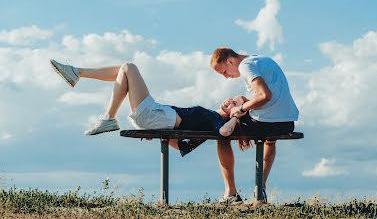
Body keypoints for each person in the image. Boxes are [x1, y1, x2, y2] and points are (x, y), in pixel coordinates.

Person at [49, 59, 244, 160]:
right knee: (123, 71)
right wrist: (158, 133)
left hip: (154, 115)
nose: (229, 100)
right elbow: (184, 146)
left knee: (128, 67)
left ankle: (104, 111)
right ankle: (77, 73)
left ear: (238, 111)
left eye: (234, 102)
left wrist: (236, 116)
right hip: (155, 117)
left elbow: (225, 132)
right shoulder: (212, 117)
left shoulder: (218, 121)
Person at [210, 48, 299, 203]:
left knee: (222, 130)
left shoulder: (245, 66)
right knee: (269, 140)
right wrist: (245, 100)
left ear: (230, 61)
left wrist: (240, 108)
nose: (226, 77)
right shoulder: (262, 60)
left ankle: (230, 194)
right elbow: (268, 99)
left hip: (267, 123)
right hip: (286, 123)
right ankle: (261, 187)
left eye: (224, 72)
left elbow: (265, 96)